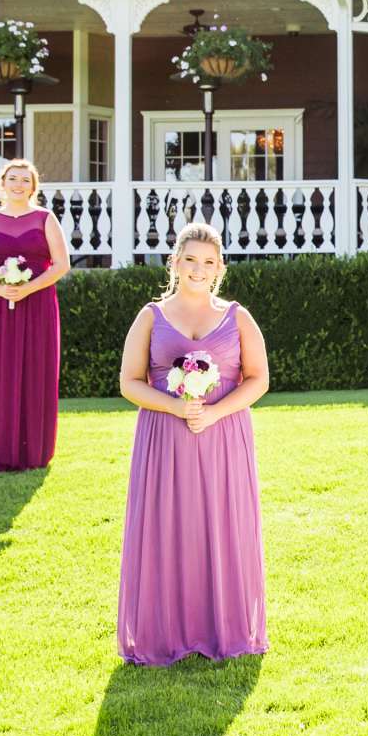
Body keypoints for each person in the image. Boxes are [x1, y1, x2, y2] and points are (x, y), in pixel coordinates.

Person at [114, 222, 271, 665]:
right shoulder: (151, 316)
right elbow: (130, 382)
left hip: (223, 439)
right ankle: (164, 632)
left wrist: (217, 412)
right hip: (165, 439)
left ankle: (223, 628)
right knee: (168, 526)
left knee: (221, 526)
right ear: (175, 263)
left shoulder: (237, 317)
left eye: (208, 262)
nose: (198, 269)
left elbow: (259, 379)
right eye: (190, 260)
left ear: (219, 267)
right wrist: (176, 407)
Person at [0, 158, 68, 471]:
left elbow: (62, 265)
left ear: (33, 186)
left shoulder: (45, 218)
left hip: (37, 306)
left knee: (34, 370)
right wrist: (1, 290)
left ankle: (31, 451)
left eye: (25, 180)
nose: (19, 185)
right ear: (3, 183)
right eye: (13, 178)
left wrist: (29, 288)